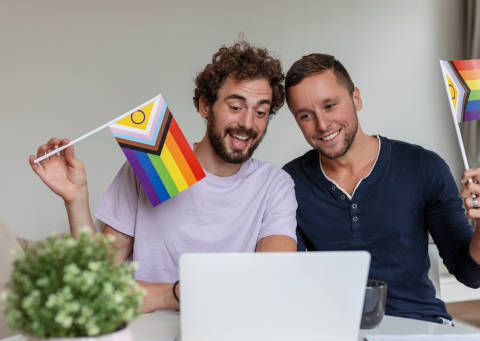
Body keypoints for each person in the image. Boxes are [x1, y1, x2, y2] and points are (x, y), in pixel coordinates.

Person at [29, 42, 298, 313]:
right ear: (206, 105)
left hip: (227, 327)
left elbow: (271, 280)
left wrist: (172, 295)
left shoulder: (274, 185)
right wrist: (76, 199)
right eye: (236, 106)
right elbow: (96, 280)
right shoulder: (154, 163)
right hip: (145, 330)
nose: (248, 123)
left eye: (261, 112)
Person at [282, 53, 480, 324]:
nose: (322, 124)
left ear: (356, 98)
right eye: (305, 115)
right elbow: (287, 277)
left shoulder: (424, 167)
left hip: (419, 324)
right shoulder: (288, 183)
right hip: (336, 328)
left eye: (330, 106)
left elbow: (472, 275)